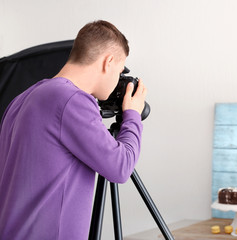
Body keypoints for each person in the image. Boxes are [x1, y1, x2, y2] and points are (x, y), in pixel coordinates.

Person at [0, 20, 147, 239]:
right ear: (108, 62)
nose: (118, 80)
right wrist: (133, 115)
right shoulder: (71, 99)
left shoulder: (20, 100)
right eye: (118, 71)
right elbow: (121, 167)